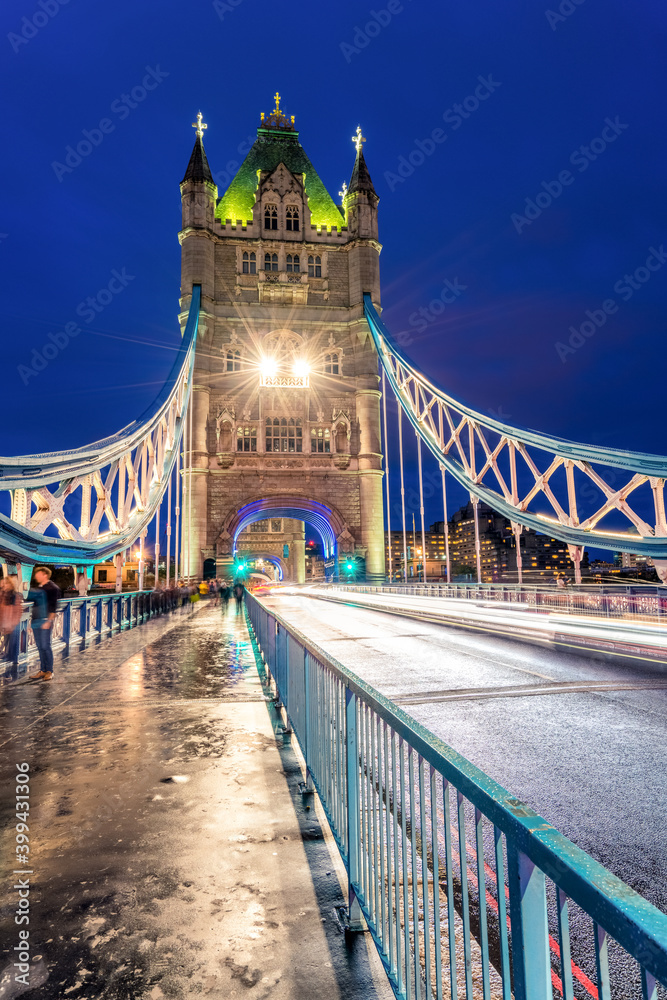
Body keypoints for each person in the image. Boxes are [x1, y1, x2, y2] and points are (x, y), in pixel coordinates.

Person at [29, 567, 61, 681]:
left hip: (45, 620)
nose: (35, 576)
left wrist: (49, 621)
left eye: (38, 574)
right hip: (36, 620)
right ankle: (42, 670)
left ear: (44, 575)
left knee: (46, 646)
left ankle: (50, 671)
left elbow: (53, 607)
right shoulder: (39, 588)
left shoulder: (53, 588)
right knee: (39, 647)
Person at [0, 576, 23, 677]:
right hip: (3, 620)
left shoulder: (14, 595)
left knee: (9, 642)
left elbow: (18, 610)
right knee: (6, 641)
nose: (4, 584)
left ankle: (10, 663)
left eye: (6, 583)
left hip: (9, 621)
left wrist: (13, 622)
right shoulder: (2, 593)